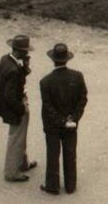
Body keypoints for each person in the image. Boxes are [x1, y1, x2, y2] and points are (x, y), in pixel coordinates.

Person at [37, 42, 87, 195]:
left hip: (52, 125)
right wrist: (73, 118)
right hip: (71, 124)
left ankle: (52, 186)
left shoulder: (45, 81)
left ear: (53, 60)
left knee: (53, 153)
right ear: (67, 59)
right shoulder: (77, 76)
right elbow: (82, 99)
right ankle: (70, 186)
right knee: (70, 153)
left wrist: (60, 120)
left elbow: (48, 106)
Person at [0, 35, 37, 182]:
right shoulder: (14, 70)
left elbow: (17, 78)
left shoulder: (5, 60)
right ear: (20, 51)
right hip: (15, 107)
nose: (27, 54)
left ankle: (22, 163)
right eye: (25, 51)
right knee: (16, 138)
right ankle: (11, 172)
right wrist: (21, 109)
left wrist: (25, 67)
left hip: (10, 106)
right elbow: (10, 96)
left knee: (20, 137)